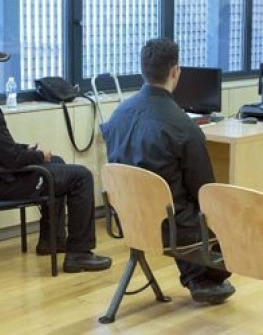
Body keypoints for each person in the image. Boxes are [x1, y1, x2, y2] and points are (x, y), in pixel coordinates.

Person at [0, 41, 111, 273]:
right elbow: (12, 159)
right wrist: (36, 154)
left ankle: (50, 241)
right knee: (81, 176)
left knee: (58, 164)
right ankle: (79, 254)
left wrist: (31, 152)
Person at [101, 38, 236, 304]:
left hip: (127, 220)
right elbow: (205, 192)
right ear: (176, 71)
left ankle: (199, 277)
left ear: (143, 70)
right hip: (170, 230)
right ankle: (202, 278)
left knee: (175, 205)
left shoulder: (116, 117)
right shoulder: (184, 129)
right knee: (222, 213)